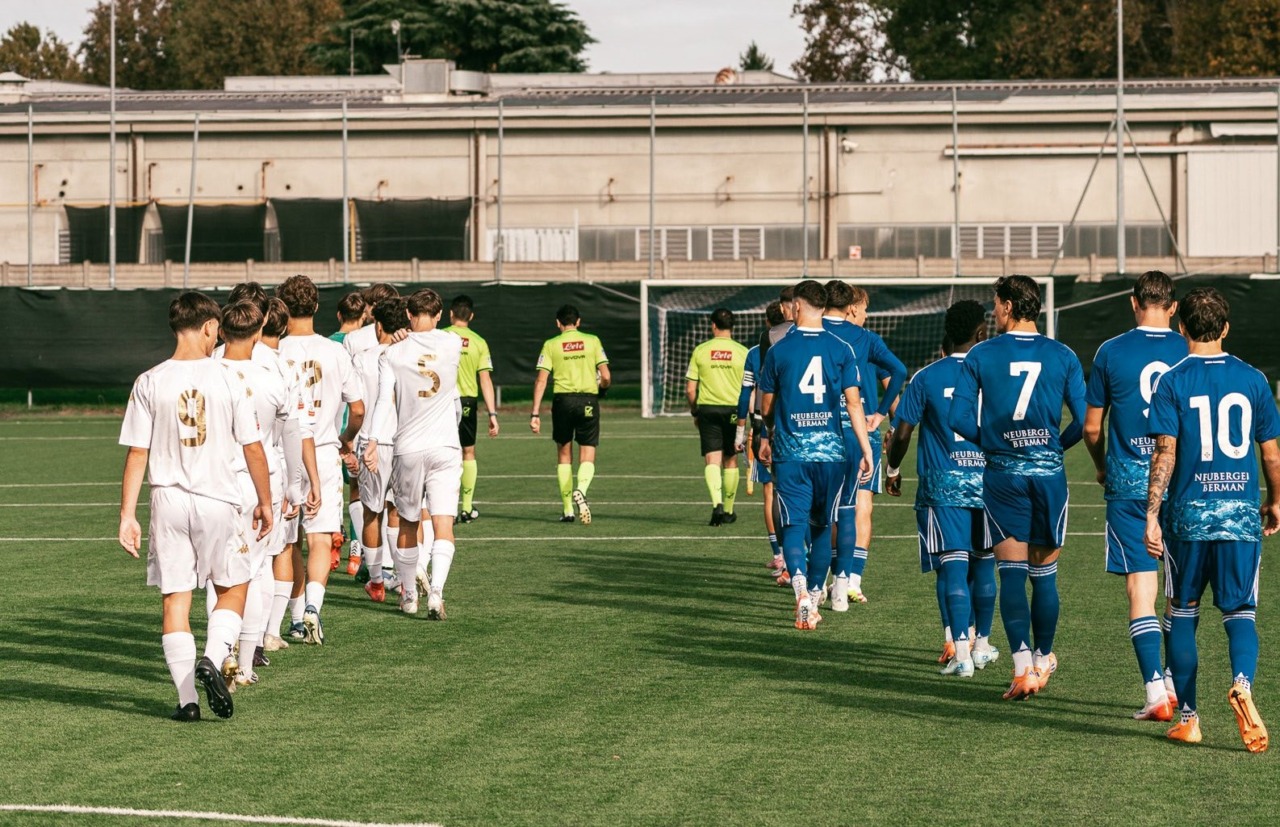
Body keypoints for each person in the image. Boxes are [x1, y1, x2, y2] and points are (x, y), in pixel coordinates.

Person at [117, 291, 273, 721]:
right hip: (217, 498)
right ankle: (214, 656)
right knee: (233, 587)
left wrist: (127, 515)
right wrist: (265, 501)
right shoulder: (228, 378)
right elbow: (253, 449)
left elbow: (137, 453)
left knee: (175, 600)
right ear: (209, 327)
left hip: (166, 501)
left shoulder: (149, 380)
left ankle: (187, 702)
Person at [1145, 287, 1280, 752]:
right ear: (1225, 328)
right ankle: (1242, 683)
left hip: (1188, 518)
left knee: (1182, 614)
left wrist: (1151, 515)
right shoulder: (1254, 379)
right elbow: (1272, 455)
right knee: (1241, 613)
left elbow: (1165, 453)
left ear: (1182, 328)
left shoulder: (1172, 380)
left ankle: (1190, 718)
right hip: (1240, 516)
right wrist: (1276, 501)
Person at [949, 275, 1086, 700]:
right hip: (1048, 475)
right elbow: (1085, 422)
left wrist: (993, 443)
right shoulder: (1062, 354)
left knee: (1011, 572)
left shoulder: (981, 354)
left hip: (1002, 475)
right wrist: (1053, 447)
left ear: (1009, 305)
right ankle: (1044, 659)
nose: (993, 312)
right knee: (1044, 576)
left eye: (996, 304)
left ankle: (1023, 666)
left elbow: (957, 419)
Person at [1082, 271, 1187, 721]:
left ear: (1132, 303)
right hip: (1182, 484)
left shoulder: (1111, 350)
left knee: (1140, 589)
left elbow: (1091, 427)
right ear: (1174, 307)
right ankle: (1172, 684)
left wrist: (1101, 463)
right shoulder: (1191, 350)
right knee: (1177, 592)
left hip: (1129, 484)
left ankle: (1154, 691)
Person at [885, 300, 998, 676]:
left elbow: (902, 432)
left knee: (951, 567)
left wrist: (893, 467)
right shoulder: (994, 372)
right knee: (984, 566)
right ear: (981, 333)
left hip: (942, 484)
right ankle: (982, 645)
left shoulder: (926, 377)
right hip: (990, 481)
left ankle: (961, 653)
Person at [216, 300, 321, 687]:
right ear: (258, 331)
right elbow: (293, 434)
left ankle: (221, 654)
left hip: (217, 481)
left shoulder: (209, 370)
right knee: (257, 567)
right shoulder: (274, 372)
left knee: (220, 574)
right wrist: (296, 486)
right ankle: (244, 663)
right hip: (264, 479)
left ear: (221, 330)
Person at [758, 280, 873, 631]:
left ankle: (802, 594)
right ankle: (817, 591)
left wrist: (769, 431)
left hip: (791, 452)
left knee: (793, 525)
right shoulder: (841, 348)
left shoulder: (779, 349)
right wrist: (866, 449)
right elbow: (854, 403)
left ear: (797, 307)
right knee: (823, 526)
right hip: (832, 455)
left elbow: (765, 408)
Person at [365, 288, 464, 620]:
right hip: (446, 446)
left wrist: (374, 440)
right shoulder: (452, 344)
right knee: (443, 523)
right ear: (438, 315)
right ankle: (436, 591)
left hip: (408, 447)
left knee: (407, 521)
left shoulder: (392, 354)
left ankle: (409, 595)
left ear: (408, 314)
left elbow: (383, 402)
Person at [276, 275, 364, 644]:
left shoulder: (273, 350)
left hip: (281, 452)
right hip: (324, 451)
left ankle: (295, 619)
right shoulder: (334, 350)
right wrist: (346, 441)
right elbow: (357, 408)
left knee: (287, 541)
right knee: (321, 535)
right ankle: (313, 608)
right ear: (315, 307)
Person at [835, 284, 907, 605]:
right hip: (863, 429)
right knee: (862, 505)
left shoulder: (821, 336)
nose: (867, 314)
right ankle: (853, 580)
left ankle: (833, 577)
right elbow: (897, 375)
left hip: (827, 427)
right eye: (864, 307)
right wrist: (884, 418)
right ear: (851, 308)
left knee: (831, 507)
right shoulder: (868, 342)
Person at [530, 304, 611, 524]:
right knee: (588, 451)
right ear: (578, 322)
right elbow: (606, 376)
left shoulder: (551, 344)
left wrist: (535, 413)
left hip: (562, 402)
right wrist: (602, 388)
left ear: (558, 323)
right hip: (588, 400)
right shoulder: (592, 341)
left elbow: (541, 380)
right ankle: (581, 490)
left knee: (564, 455)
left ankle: (567, 510)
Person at [352, 297, 410, 604]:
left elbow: (356, 406)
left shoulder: (362, 358)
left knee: (371, 512)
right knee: (399, 513)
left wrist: (349, 442)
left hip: (370, 442)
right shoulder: (410, 356)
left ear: (377, 325)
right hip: (402, 442)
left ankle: (376, 582)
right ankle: (402, 579)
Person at [736, 300, 786, 573]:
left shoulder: (756, 351)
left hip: (764, 427)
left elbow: (746, 393)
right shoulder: (804, 343)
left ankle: (780, 555)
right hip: (800, 425)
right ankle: (801, 554)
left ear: (767, 323)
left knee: (770, 495)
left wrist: (740, 431)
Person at [686, 308, 749, 526]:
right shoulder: (743, 352)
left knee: (712, 459)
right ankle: (729, 511)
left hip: (708, 409)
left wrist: (695, 412)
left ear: (713, 325)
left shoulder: (701, 350)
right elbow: (749, 388)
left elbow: (690, 390)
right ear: (732, 326)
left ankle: (716, 504)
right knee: (730, 459)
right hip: (733, 410)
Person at [443, 295, 500, 523]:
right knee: (468, 452)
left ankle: (445, 506)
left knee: (443, 453)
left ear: (450, 314)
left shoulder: (441, 336)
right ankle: (466, 507)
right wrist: (493, 414)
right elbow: (485, 379)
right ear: (472, 316)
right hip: (467, 402)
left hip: (442, 401)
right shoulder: (478, 341)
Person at [343, 283, 400, 358]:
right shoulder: (406, 334)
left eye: (366, 305)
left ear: (374, 306)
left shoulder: (352, 338)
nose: (364, 310)